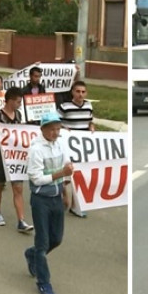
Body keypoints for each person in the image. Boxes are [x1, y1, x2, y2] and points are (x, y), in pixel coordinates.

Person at [23, 112, 74, 294]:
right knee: (43, 242)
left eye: (58, 129)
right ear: (43, 129)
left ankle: (32, 254)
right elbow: (35, 178)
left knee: (57, 239)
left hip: (56, 198)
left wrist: (65, 192)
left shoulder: (60, 145)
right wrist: (60, 173)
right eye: (51, 129)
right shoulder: (36, 150)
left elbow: (67, 169)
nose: (55, 132)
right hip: (41, 200)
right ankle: (44, 282)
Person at [0, 87, 34, 232]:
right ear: (11, 100)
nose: (20, 104)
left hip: (16, 158)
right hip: (0, 157)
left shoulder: (18, 115)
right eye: (18, 101)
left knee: (18, 188)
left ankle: (21, 221)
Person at [58, 80, 94, 218]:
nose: (80, 94)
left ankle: (75, 205)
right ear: (72, 92)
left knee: (79, 175)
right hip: (67, 146)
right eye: (78, 91)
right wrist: (62, 127)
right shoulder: (64, 107)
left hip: (83, 147)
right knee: (66, 176)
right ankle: (64, 195)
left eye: (83, 92)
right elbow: (55, 121)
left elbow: (90, 121)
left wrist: (91, 127)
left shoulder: (88, 106)